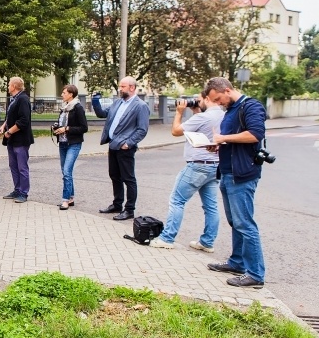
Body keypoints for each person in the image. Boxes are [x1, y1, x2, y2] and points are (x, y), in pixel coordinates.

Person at [204, 77, 267, 289]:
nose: (219, 103)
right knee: (235, 222)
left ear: (228, 90)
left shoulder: (251, 106)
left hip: (242, 174)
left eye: (219, 98)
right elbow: (231, 138)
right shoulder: (230, 110)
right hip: (228, 172)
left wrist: (224, 139)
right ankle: (237, 263)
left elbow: (255, 134)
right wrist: (218, 145)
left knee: (245, 224)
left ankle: (256, 274)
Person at [150, 91, 223, 251]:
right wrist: (196, 110)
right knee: (211, 207)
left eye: (198, 100)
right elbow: (203, 128)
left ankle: (167, 238)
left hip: (197, 165)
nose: (195, 102)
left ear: (207, 99)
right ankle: (207, 242)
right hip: (215, 166)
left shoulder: (202, 117)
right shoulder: (222, 115)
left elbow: (176, 131)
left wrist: (179, 112)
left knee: (177, 200)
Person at [92, 77, 150, 221]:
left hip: (125, 148)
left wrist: (128, 143)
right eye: (120, 86)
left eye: (123, 86)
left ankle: (129, 209)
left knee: (128, 178)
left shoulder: (140, 106)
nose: (120, 89)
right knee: (114, 175)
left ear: (132, 87)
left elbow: (142, 130)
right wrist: (95, 101)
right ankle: (117, 204)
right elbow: (102, 114)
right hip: (113, 145)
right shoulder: (118, 102)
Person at [0, 77, 33, 203]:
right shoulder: (14, 99)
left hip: (21, 140)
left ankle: (24, 192)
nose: (7, 87)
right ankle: (17, 189)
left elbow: (23, 120)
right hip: (12, 140)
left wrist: (9, 131)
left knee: (22, 167)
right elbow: (11, 117)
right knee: (13, 166)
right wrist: (3, 126)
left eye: (9, 85)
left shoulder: (23, 99)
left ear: (15, 86)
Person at [52, 84, 88, 210]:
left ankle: (65, 200)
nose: (62, 94)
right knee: (65, 171)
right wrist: (56, 127)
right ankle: (71, 197)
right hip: (63, 143)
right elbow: (62, 123)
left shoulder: (77, 108)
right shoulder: (64, 108)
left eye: (64, 92)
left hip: (73, 143)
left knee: (67, 171)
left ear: (71, 94)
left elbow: (84, 128)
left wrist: (66, 129)